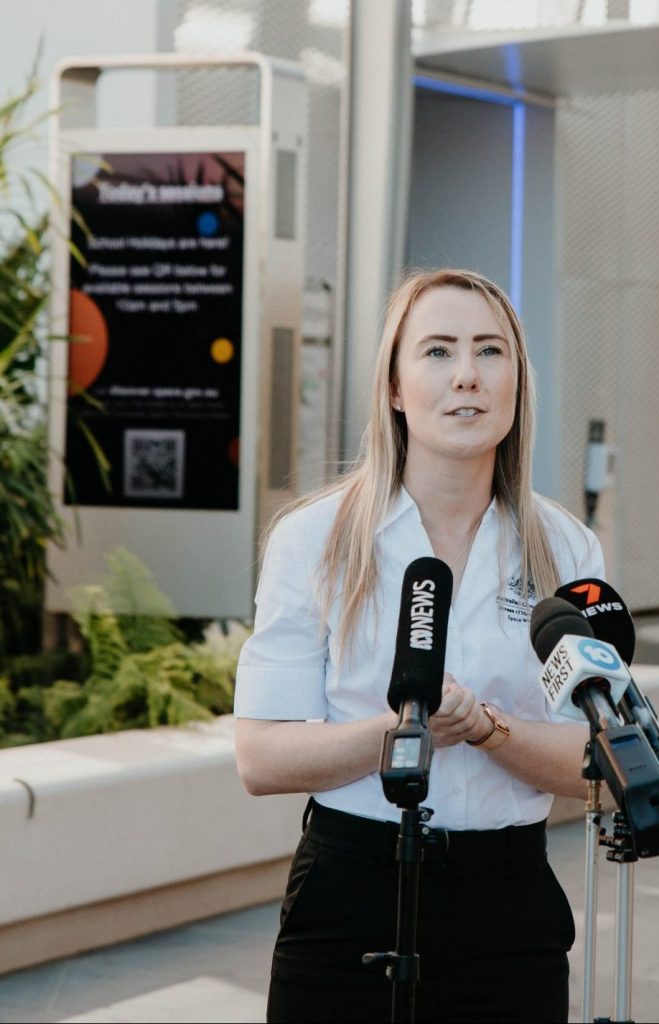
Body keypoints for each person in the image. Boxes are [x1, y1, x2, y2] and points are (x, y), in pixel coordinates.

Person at [234, 268, 605, 1023]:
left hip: (507, 907)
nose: (467, 375)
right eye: (437, 351)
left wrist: (488, 730)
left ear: (518, 382)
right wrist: (402, 732)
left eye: (490, 351)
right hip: (349, 892)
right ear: (395, 388)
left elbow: (596, 765)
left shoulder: (566, 550)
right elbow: (261, 758)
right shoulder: (314, 539)